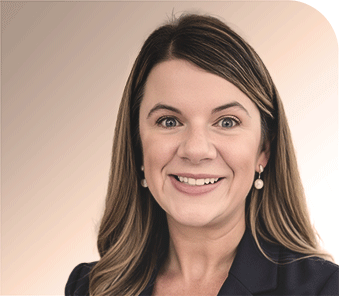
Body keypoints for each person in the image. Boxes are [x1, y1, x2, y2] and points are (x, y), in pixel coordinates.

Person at [65, 14, 338, 296]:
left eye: (227, 122)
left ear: (264, 149)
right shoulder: (87, 287)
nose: (196, 150)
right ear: (137, 145)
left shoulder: (324, 288)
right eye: (169, 121)